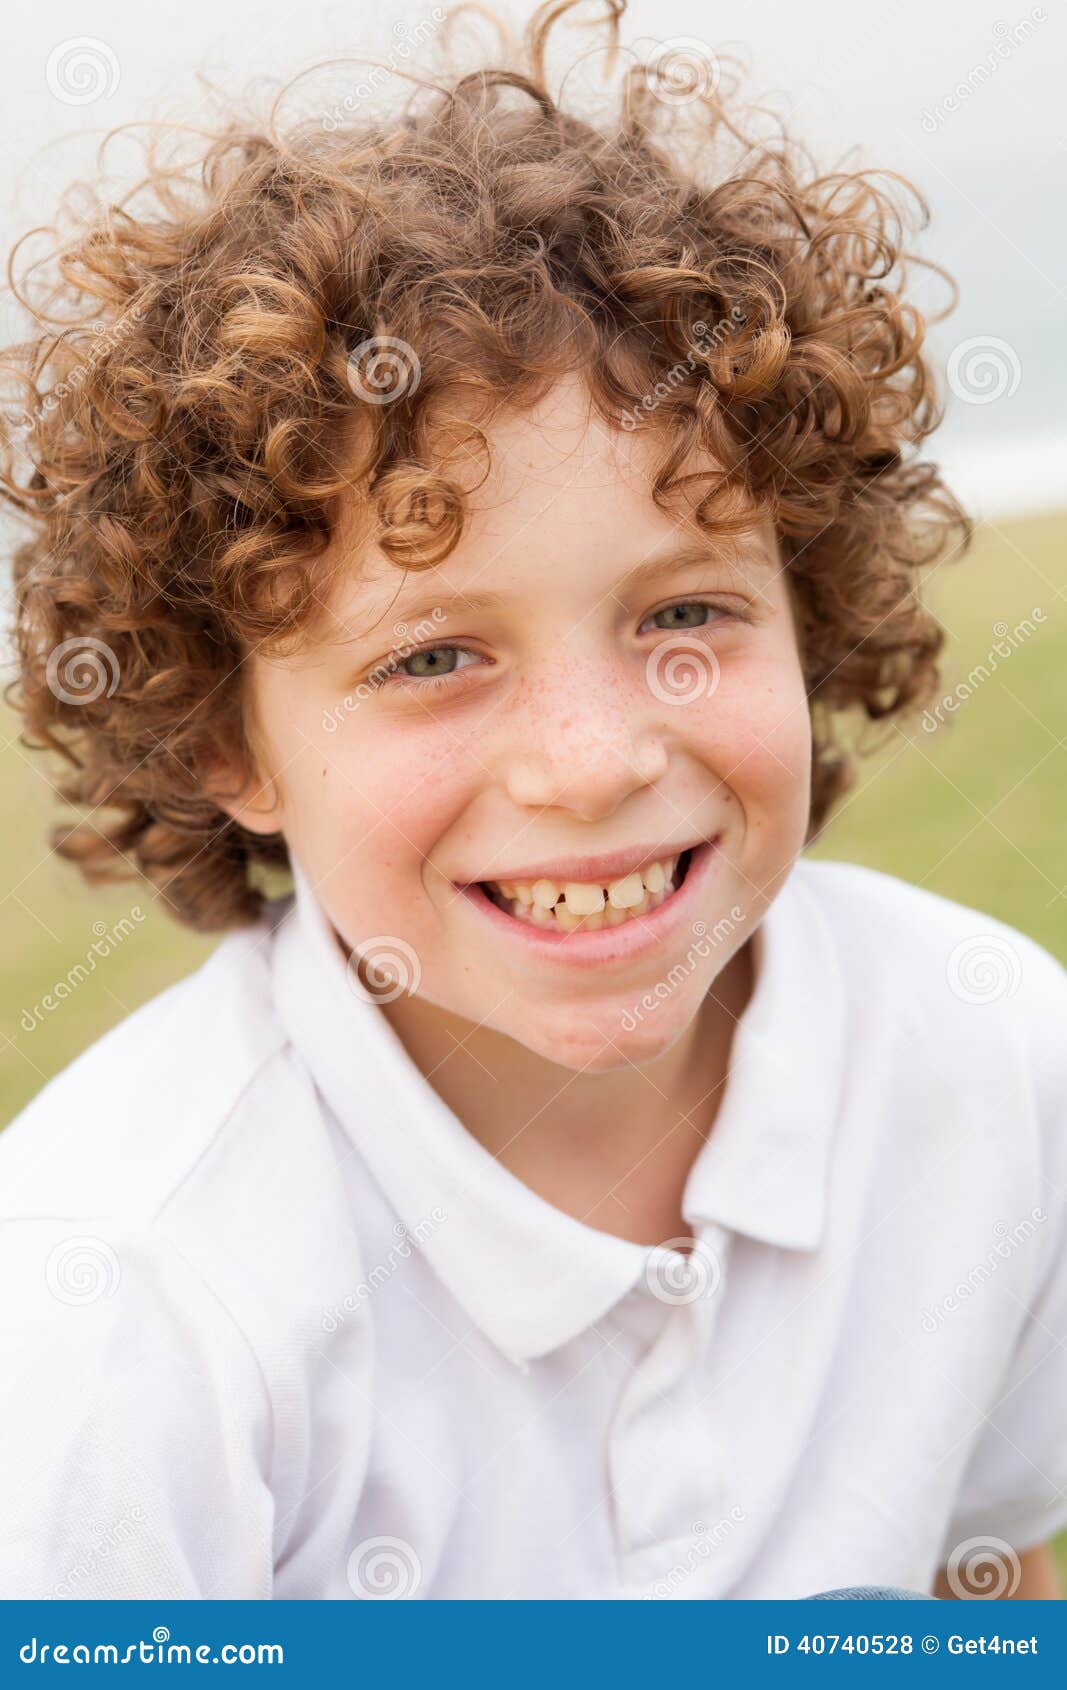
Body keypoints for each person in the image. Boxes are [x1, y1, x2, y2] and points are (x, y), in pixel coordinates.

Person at [0, 0, 1064, 1602]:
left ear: (808, 610)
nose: (594, 759)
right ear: (230, 741)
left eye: (685, 615)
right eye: (434, 653)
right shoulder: (118, 1302)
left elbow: (984, 1578)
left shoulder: (998, 1061)